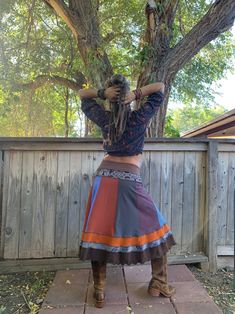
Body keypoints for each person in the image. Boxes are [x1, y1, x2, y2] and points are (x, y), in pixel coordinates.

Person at [78, 74, 176, 308]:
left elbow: (82, 95)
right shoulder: (140, 117)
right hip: (129, 179)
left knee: (98, 233)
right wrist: (138, 94)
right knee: (158, 229)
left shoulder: (104, 117)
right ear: (128, 99)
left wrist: (102, 93)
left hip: (103, 179)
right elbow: (160, 87)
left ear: (112, 100)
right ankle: (159, 283)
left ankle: (99, 290)